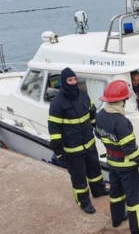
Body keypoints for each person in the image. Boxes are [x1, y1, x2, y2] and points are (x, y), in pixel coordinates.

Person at [95, 80, 139, 234]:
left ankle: (117, 218)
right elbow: (130, 149)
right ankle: (138, 228)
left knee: (115, 192)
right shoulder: (122, 122)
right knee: (134, 198)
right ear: (121, 101)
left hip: (112, 163)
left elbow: (99, 135)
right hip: (127, 167)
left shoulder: (100, 115)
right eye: (125, 99)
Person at [48, 67, 109, 214]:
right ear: (64, 82)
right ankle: (83, 202)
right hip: (73, 149)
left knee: (95, 170)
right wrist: (59, 151)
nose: (73, 82)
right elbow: (54, 129)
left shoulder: (84, 96)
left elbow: (92, 114)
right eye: (70, 80)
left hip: (89, 144)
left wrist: (98, 130)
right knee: (79, 177)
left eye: (75, 79)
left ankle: (99, 190)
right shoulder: (57, 103)